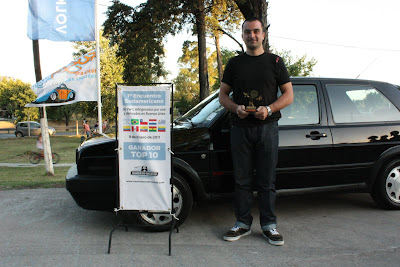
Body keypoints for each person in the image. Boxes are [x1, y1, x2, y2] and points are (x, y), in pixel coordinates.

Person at [219, 17, 293, 246]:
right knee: (241, 180)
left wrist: (269, 109)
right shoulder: (234, 64)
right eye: (248, 32)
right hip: (240, 128)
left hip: (267, 129)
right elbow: (223, 96)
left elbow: (288, 95)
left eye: (256, 31)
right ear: (243, 35)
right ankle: (242, 223)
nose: (252, 35)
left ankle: (269, 226)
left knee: (266, 181)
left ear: (263, 35)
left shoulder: (276, 62)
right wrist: (235, 108)